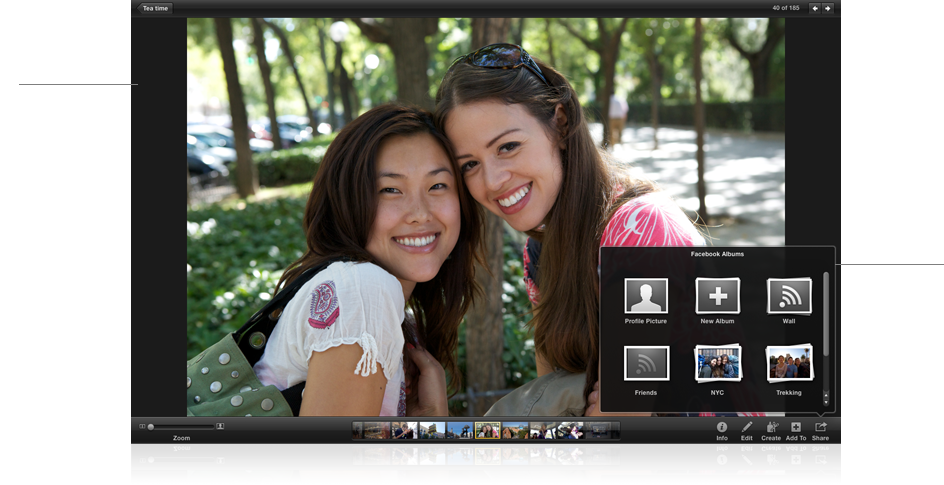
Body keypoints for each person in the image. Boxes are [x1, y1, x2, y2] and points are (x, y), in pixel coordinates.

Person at [436, 43, 704, 414]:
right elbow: (551, 404)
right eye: (469, 164)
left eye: (508, 146)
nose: (492, 181)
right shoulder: (540, 250)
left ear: (560, 123)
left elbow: (619, 428)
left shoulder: (640, 229)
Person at [249, 104, 483, 484]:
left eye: (437, 186)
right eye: (390, 190)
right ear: (348, 202)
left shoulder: (385, 308)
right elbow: (333, 473)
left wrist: (429, 439)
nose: (419, 212)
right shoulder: (362, 290)